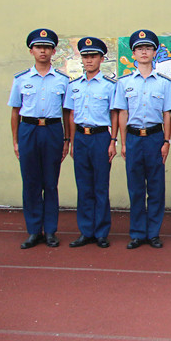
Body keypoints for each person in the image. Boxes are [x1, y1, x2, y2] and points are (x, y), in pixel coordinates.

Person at [8, 28, 71, 249]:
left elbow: (66, 113)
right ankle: (34, 231)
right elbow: (15, 112)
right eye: (38, 47)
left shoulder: (63, 81)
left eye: (47, 47)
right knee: (31, 182)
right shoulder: (21, 79)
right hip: (29, 130)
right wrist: (16, 141)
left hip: (52, 131)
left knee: (50, 183)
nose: (42, 51)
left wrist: (66, 140)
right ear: (31, 50)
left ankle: (51, 231)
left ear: (54, 51)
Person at [113, 30, 171, 249]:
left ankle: (154, 233)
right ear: (134, 54)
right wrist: (123, 142)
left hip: (155, 138)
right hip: (133, 138)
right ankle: (138, 233)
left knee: (156, 187)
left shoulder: (164, 83)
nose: (144, 52)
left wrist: (166, 142)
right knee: (136, 188)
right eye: (139, 49)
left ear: (154, 52)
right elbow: (122, 114)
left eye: (148, 48)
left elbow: (167, 114)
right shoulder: (124, 83)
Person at [64, 37, 117, 248]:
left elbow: (115, 114)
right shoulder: (73, 86)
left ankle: (102, 232)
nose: (88, 60)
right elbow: (70, 115)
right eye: (85, 56)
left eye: (93, 56)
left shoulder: (109, 86)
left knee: (101, 186)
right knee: (84, 186)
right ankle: (86, 231)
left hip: (101, 137)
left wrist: (113, 140)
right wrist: (71, 141)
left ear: (101, 59)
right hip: (81, 138)